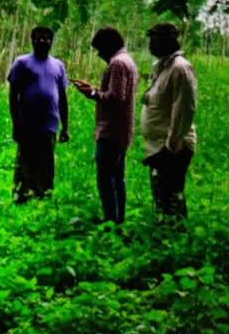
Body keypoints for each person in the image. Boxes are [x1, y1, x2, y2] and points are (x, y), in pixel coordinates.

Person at [72, 27, 138, 223]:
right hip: (121, 130)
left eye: (100, 49)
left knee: (106, 180)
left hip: (111, 131)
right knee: (117, 178)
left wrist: (92, 93)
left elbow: (116, 98)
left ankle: (111, 221)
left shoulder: (117, 64)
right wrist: (93, 89)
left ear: (109, 46)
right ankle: (118, 220)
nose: (99, 54)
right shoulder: (128, 61)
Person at [140, 23, 197, 220]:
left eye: (155, 39)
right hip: (158, 146)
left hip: (172, 147)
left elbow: (184, 109)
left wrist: (171, 146)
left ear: (168, 41)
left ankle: (177, 238)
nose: (151, 45)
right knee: (161, 197)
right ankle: (166, 236)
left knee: (172, 197)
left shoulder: (180, 68)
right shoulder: (161, 66)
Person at [8, 26, 69, 203]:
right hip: (27, 125)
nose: (43, 41)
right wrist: (16, 123)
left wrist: (65, 127)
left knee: (46, 165)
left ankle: (44, 198)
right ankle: (22, 197)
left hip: (49, 125)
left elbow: (63, 98)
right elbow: (13, 96)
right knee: (25, 164)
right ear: (32, 40)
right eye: (38, 38)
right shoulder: (21, 63)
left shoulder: (58, 66)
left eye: (47, 38)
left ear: (51, 42)